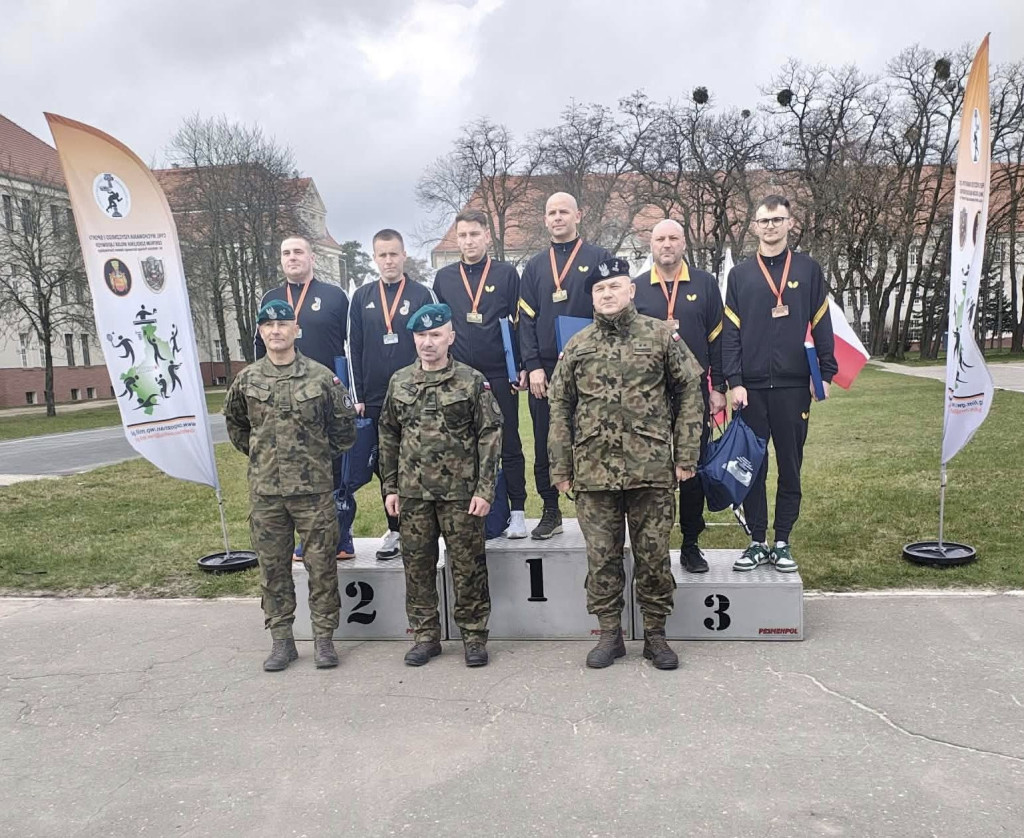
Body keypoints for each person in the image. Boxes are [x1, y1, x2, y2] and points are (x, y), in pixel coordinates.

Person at [548, 258, 704, 671]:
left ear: (631, 290)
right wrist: (560, 466)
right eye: (600, 290)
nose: (608, 294)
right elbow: (559, 406)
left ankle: (655, 634)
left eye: (615, 286)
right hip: (593, 470)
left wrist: (686, 453)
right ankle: (609, 634)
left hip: (650, 468)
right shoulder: (578, 346)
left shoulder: (660, 336)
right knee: (602, 557)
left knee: (653, 556)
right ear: (593, 298)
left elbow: (690, 389)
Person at [223, 300, 357, 672]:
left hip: (313, 492)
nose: (276, 330)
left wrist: (314, 458)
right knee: (273, 567)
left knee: (321, 565)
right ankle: (282, 640)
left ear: (296, 330)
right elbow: (237, 428)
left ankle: (324, 639)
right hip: (267, 493)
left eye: (283, 323)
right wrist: (263, 457)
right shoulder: (247, 379)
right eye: (269, 325)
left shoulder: (321, 378)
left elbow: (344, 429)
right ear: (261, 332)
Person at [378, 303, 503, 667]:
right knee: (417, 567)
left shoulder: (471, 380)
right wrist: (390, 486)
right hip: (413, 494)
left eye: (435, 335)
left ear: (450, 337)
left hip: (460, 495)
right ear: (413, 339)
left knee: (468, 568)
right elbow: (387, 433)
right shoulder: (400, 381)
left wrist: (484, 489)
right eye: (421, 336)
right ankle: (425, 636)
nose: (428, 342)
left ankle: (474, 637)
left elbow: (490, 434)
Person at [722, 195, 836, 573]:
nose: (770, 226)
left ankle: (783, 539)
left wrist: (826, 373)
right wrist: (734, 380)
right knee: (752, 466)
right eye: (763, 221)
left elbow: (822, 323)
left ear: (790, 223)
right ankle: (757, 541)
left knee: (791, 465)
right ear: (754, 227)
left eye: (777, 219)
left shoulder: (808, 269)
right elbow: (731, 335)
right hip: (750, 389)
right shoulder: (740, 275)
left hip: (793, 386)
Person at [633, 219, 726, 573]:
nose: (666, 244)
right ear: (651, 245)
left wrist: (718, 389)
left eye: (673, 238)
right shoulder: (637, 289)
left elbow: (718, 340)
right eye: (660, 239)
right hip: (649, 399)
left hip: (693, 397)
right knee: (652, 474)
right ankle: (653, 548)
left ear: (684, 243)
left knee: (692, 470)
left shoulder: (704, 284)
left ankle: (690, 543)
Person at [255, 235, 355, 560]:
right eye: (286, 252)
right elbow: (261, 351)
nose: (292, 257)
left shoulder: (334, 297)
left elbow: (350, 345)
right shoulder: (271, 298)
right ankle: (306, 538)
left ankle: (342, 537)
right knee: (297, 471)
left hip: (325, 397)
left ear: (312, 257)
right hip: (284, 399)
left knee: (337, 468)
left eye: (298, 251)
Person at [518, 192, 612, 540]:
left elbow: (610, 307)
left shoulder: (599, 257)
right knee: (546, 441)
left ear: (579, 215)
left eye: (563, 212)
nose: (557, 218)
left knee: (592, 439)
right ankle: (550, 510)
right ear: (545, 219)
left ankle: (595, 511)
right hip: (545, 369)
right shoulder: (535, 266)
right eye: (551, 213)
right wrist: (533, 365)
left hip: (589, 368)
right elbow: (524, 320)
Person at [433, 208, 528, 538]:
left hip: (501, 374)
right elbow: (440, 327)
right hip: (460, 378)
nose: (469, 240)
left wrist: (523, 367)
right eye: (463, 235)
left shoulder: (506, 274)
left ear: (487, 236)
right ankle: (470, 508)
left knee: (509, 442)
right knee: (465, 445)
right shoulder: (444, 278)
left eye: (475, 234)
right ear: (456, 239)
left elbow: (520, 325)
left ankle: (517, 510)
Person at [349, 229, 436, 560]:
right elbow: (353, 345)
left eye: (394, 254)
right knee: (385, 465)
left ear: (404, 256)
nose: (388, 260)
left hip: (414, 395)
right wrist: (357, 395)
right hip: (373, 397)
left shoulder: (421, 294)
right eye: (382, 255)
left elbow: (434, 341)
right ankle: (396, 529)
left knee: (417, 459)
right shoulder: (361, 297)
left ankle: (422, 526)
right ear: (375, 258)